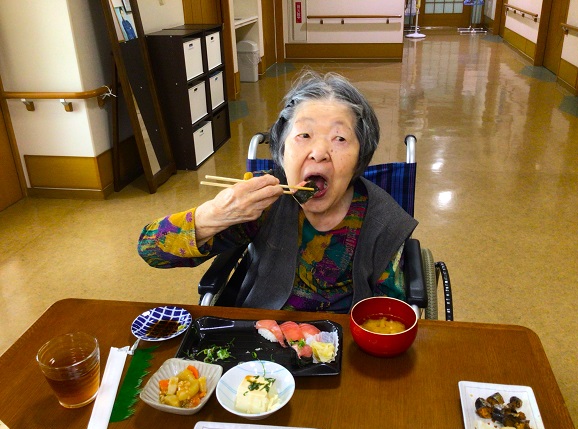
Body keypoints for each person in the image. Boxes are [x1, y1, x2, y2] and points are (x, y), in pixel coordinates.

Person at [138, 71, 418, 313]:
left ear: (360, 158)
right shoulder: (261, 203)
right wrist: (214, 214)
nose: (319, 152)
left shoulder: (384, 221)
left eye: (340, 138)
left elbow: (391, 314)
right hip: (260, 337)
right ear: (281, 152)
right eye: (304, 135)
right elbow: (151, 250)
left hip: (345, 341)